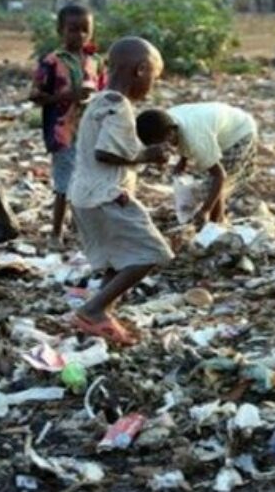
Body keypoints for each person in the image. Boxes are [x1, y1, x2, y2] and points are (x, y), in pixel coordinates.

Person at [67, 37, 173, 345]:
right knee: (150, 253)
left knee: (116, 261)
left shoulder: (100, 101)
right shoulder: (119, 106)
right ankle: (93, 309)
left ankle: (101, 315)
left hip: (84, 196)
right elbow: (106, 153)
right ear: (141, 70)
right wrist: (146, 155)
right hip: (106, 196)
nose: (153, 85)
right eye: (154, 76)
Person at [29, 4, 107, 248]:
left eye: (86, 30)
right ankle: (55, 234)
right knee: (65, 185)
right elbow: (36, 96)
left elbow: (104, 92)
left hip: (90, 132)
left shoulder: (96, 61)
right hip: (62, 132)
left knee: (88, 181)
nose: (81, 35)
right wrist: (69, 96)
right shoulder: (52, 61)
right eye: (73, 29)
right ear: (60, 30)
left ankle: (82, 230)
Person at [135, 103, 258, 226]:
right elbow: (182, 136)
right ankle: (217, 222)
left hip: (239, 132)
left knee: (210, 188)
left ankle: (216, 224)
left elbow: (219, 176)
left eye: (162, 145)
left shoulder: (196, 140)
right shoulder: (164, 120)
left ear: (170, 135)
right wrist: (183, 160)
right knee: (209, 187)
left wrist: (205, 210)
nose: (163, 150)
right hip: (215, 125)